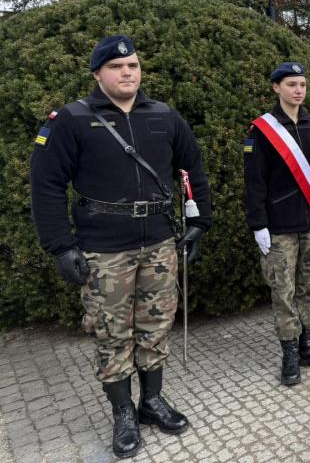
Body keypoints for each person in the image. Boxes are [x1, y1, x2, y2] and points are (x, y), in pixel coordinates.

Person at [30, 35, 212, 458]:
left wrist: (200, 222)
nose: (126, 72)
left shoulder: (164, 116)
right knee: (113, 333)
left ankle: (151, 401)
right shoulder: (71, 120)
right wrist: (60, 246)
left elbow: (192, 169)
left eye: (132, 65)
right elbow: (46, 186)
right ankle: (123, 412)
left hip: (159, 242)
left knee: (156, 324)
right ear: (98, 74)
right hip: (103, 248)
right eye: (116, 67)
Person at [244, 62, 310, 386]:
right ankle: (289, 353)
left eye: (302, 84)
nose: (298, 90)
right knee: (282, 291)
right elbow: (254, 181)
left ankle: (308, 346)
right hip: (279, 227)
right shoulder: (262, 130)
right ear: (276, 88)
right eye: (291, 84)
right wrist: (258, 224)